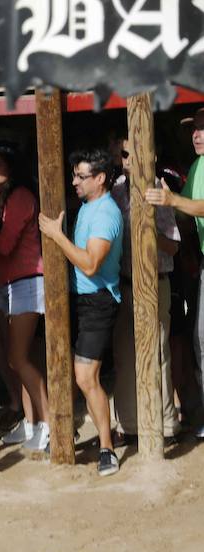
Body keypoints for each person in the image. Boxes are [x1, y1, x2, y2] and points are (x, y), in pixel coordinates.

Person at [39, 148, 125, 477]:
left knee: (87, 377)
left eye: (81, 176)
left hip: (99, 301)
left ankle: (107, 448)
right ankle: (74, 434)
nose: (74, 181)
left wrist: (57, 235)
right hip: (83, 300)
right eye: (74, 175)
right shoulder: (89, 206)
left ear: (100, 179)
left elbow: (90, 264)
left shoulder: (104, 213)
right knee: (78, 376)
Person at [110, 133, 181, 442]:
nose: (131, 161)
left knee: (159, 355)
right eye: (126, 155)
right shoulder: (114, 192)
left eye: (136, 154)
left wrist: (149, 228)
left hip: (156, 282)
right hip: (125, 285)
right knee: (125, 358)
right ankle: (128, 425)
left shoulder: (158, 191)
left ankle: (166, 426)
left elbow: (174, 247)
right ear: (119, 157)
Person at [0, 142, 52, 453]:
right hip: (9, 284)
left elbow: (6, 244)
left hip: (27, 281)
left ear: (12, 166)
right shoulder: (0, 199)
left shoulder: (21, 197)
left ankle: (49, 424)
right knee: (19, 359)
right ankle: (31, 422)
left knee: (19, 358)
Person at [147, 108, 204, 437]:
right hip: (199, 263)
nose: (196, 135)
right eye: (194, 129)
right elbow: (188, 214)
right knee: (199, 340)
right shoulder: (195, 167)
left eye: (202, 129)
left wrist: (170, 200)